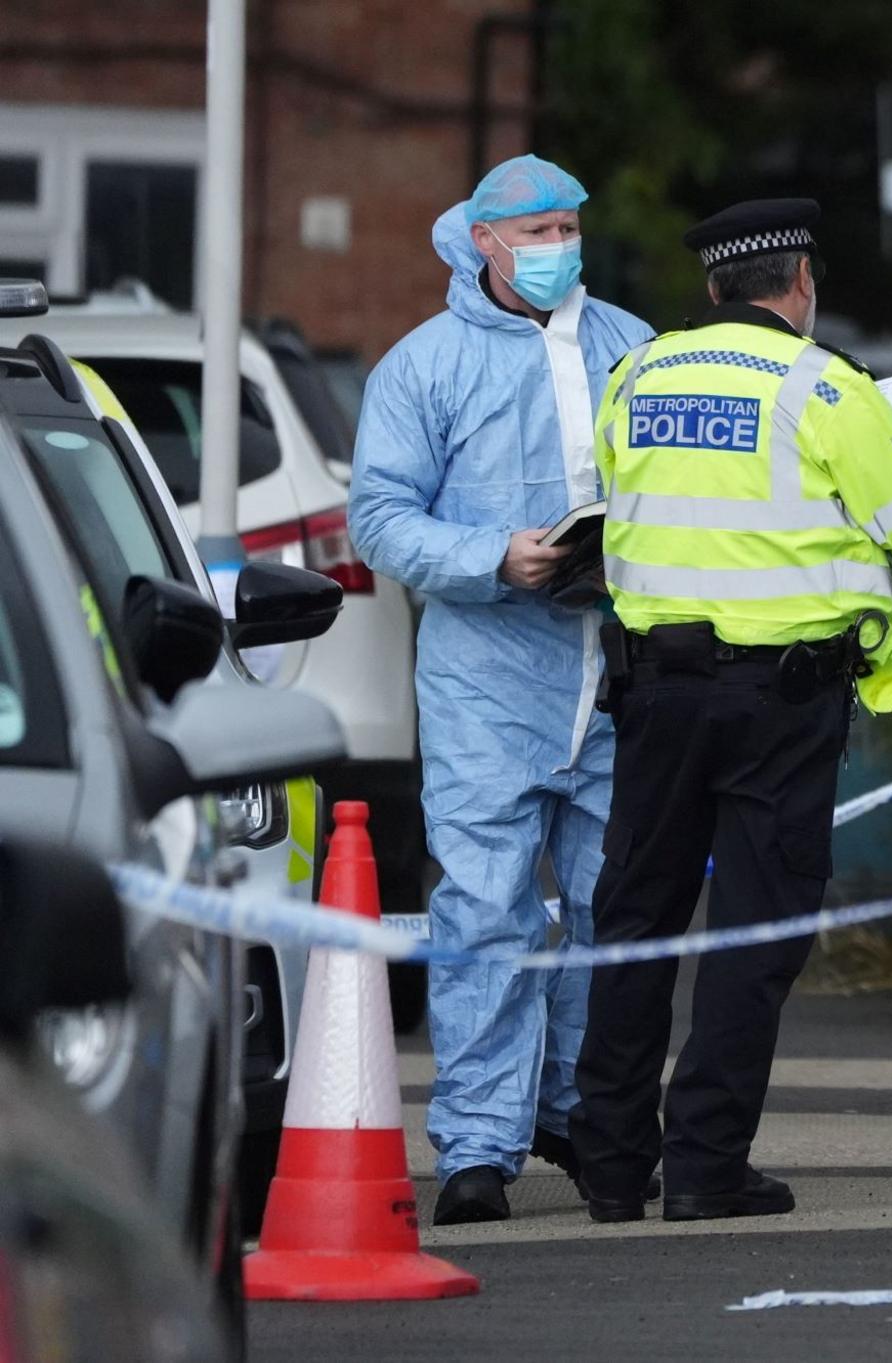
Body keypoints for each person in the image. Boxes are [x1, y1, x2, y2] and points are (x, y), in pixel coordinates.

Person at [569, 198, 892, 1223]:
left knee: (635, 917)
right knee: (753, 928)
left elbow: (615, 491)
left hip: (652, 693)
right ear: (801, 287)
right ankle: (702, 1163)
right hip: (779, 702)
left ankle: (608, 1166)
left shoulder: (637, 374)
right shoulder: (824, 386)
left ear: (711, 290)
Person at [350, 154, 655, 1224]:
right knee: (486, 906)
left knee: (614, 907)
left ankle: (580, 1114)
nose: (556, 248)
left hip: (615, 670)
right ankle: (479, 1144)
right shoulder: (423, 367)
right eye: (534, 232)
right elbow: (380, 518)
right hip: (486, 675)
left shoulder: (632, 347)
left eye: (568, 226)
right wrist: (495, 557)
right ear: (480, 239)